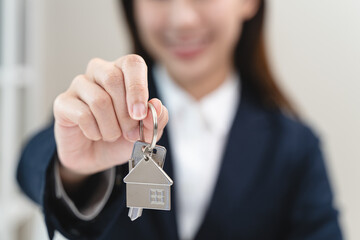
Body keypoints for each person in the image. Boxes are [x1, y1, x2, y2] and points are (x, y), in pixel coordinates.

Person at [17, 0, 344, 239]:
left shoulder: (296, 147)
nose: (183, 19)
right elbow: (30, 163)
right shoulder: (104, 113)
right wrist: (72, 170)